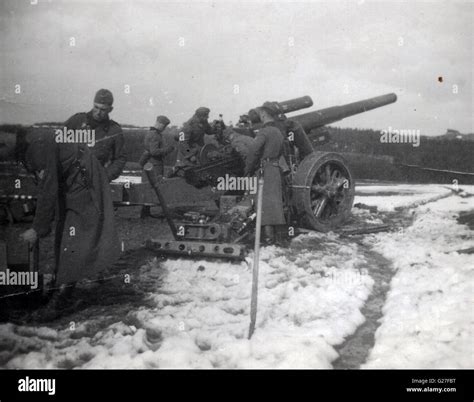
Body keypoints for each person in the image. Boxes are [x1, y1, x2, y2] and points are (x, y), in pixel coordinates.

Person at [19, 131, 120, 317]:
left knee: (74, 234)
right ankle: (57, 285)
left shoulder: (41, 144)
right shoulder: (30, 149)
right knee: (62, 228)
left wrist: (37, 229)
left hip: (84, 176)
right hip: (72, 178)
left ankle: (64, 296)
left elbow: (48, 188)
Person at [245, 104, 286, 244]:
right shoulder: (278, 132)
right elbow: (282, 152)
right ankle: (279, 238)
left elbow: (253, 151)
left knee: (264, 204)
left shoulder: (264, 132)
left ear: (263, 115)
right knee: (276, 204)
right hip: (275, 169)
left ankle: (268, 239)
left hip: (265, 171)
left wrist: (248, 170)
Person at [64, 89, 126, 181]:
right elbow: (57, 145)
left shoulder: (114, 131)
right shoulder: (77, 121)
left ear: (110, 109)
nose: (98, 112)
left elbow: (120, 159)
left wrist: (105, 177)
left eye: (103, 109)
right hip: (69, 178)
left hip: (95, 181)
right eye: (96, 107)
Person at [139, 115, 173, 217]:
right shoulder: (155, 135)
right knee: (154, 188)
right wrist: (168, 150)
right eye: (164, 126)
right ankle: (146, 212)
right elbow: (154, 151)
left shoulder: (151, 133)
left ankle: (145, 212)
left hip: (149, 164)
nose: (164, 128)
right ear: (160, 124)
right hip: (154, 165)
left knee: (148, 188)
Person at [174, 107, 214, 171]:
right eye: (206, 115)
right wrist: (190, 155)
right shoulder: (189, 125)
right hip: (186, 154)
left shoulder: (204, 122)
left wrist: (216, 128)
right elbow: (183, 143)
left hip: (199, 151)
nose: (208, 117)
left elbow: (209, 131)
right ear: (200, 116)